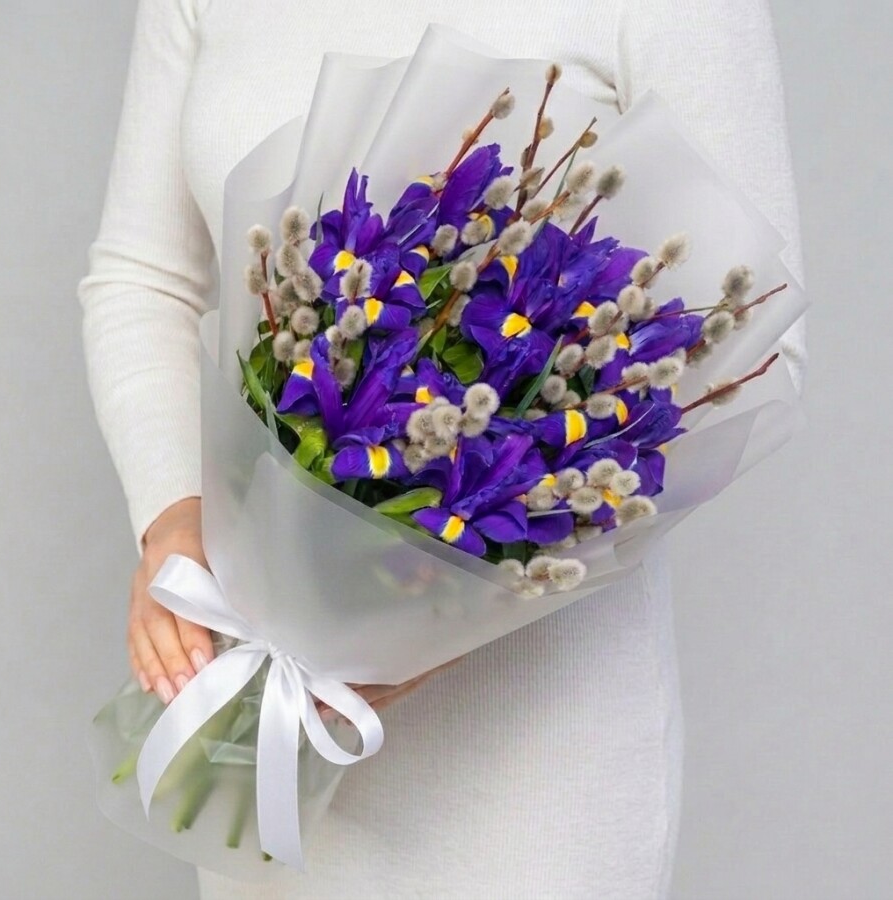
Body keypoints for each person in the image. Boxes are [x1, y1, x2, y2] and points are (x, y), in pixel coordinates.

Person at [78, 1, 806, 896]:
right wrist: (173, 516)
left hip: (536, 763)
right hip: (266, 696)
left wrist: (429, 608)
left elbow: (752, 338)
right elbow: (145, 278)